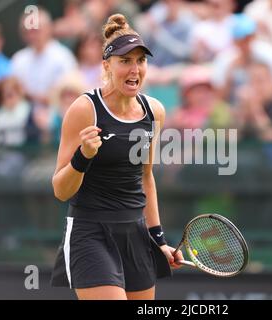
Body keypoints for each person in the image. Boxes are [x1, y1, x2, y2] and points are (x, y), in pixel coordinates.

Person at [50, 13, 183, 300]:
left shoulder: (155, 112)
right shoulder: (85, 109)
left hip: (136, 234)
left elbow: (146, 179)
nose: (134, 69)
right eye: (125, 61)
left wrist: (158, 239)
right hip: (90, 233)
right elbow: (60, 189)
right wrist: (83, 157)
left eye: (140, 60)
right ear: (107, 65)